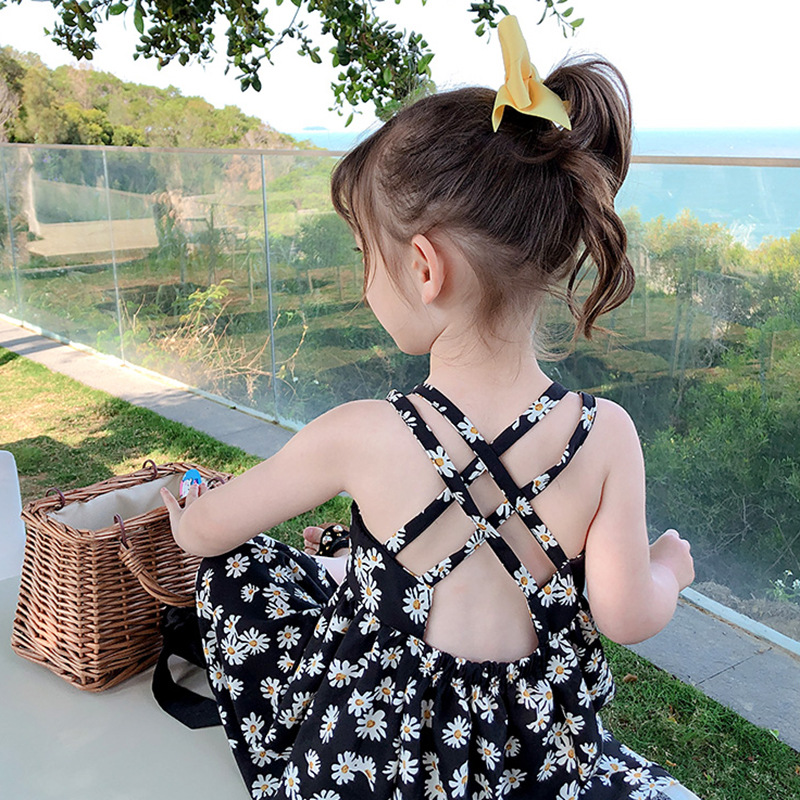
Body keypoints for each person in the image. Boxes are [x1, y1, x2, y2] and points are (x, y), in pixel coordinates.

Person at [162, 15, 698, 800]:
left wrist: (186, 512)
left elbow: (212, 533)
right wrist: (670, 570)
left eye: (364, 255)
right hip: (532, 765)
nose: (363, 281)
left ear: (423, 267)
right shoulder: (604, 434)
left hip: (377, 765)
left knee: (237, 570)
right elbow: (625, 614)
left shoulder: (362, 433)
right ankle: (349, 565)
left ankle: (346, 574)